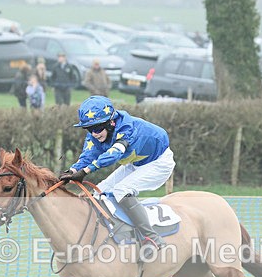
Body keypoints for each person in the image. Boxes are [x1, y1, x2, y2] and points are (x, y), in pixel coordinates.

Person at [59, 95, 175, 257]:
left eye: (98, 129)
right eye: (89, 130)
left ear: (111, 123)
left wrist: (85, 172)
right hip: (136, 163)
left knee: (121, 190)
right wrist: (72, 171)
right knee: (99, 192)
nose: (94, 134)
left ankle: (151, 237)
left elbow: (112, 155)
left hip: (159, 163)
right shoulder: (96, 132)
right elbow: (88, 155)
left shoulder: (127, 130)